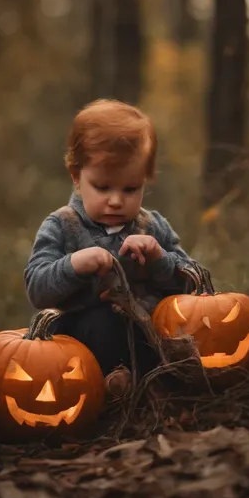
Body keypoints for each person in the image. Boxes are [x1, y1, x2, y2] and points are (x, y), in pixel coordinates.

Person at [24, 99, 199, 397]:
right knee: (102, 321)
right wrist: (74, 264)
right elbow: (37, 288)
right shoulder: (62, 226)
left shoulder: (151, 226)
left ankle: (159, 381)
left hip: (146, 333)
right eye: (103, 188)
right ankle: (114, 385)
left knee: (166, 326)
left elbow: (193, 284)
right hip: (85, 342)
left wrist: (159, 258)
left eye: (130, 189)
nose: (116, 201)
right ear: (77, 178)